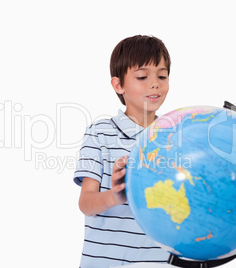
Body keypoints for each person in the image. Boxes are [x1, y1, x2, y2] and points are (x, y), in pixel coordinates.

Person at [73, 35, 171, 268]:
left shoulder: (175, 137)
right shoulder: (100, 133)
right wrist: (115, 195)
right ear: (118, 85)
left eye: (162, 75)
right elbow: (86, 203)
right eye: (142, 76)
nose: (155, 83)